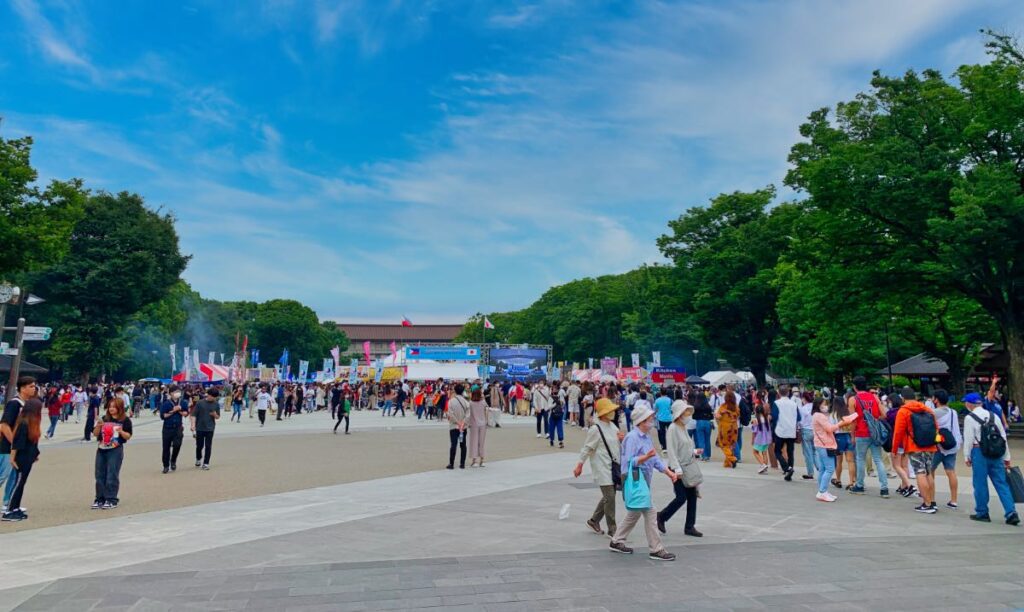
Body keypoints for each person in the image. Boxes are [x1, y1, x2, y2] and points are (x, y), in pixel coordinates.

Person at [609, 403, 677, 561]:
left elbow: (655, 459)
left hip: (643, 479)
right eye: (649, 418)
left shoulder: (646, 437)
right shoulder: (632, 438)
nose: (652, 420)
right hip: (635, 479)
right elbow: (628, 461)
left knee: (634, 512)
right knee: (650, 512)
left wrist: (668, 473)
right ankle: (656, 549)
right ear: (641, 421)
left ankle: (617, 540)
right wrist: (645, 458)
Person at [962, 392, 1019, 525]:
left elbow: (969, 439)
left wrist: (967, 456)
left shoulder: (970, 418)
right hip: (996, 453)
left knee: (980, 483)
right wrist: (1007, 457)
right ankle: (1011, 512)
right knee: (1001, 483)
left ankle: (982, 512)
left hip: (979, 452)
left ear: (970, 404)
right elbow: (1003, 437)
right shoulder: (994, 416)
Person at [574, 398, 623, 536]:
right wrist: (580, 465)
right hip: (601, 467)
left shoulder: (613, 427)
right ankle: (612, 529)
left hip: (613, 467)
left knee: (609, 496)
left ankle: (594, 520)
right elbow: (587, 448)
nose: (612, 412)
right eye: (609, 410)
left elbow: (617, 446)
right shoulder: (595, 429)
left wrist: (621, 439)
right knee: (610, 497)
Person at [657, 400, 702, 536]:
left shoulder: (683, 427)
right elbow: (671, 450)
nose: (689, 415)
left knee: (692, 497)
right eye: (686, 412)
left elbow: (685, 447)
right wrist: (677, 469)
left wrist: (694, 452)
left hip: (687, 467)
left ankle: (689, 526)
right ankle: (662, 516)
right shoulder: (673, 428)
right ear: (680, 414)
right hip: (677, 468)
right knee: (681, 497)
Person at [848, 376, 889, 498]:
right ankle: (884, 488)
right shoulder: (874, 397)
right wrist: (874, 420)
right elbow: (884, 415)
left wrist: (852, 435)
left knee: (860, 459)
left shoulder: (853, 399)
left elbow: (853, 420)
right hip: (874, 433)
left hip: (861, 432)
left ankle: (859, 485)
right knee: (878, 459)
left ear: (855, 387)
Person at [2, 398, 42, 522]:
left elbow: (32, 443)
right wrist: (12, 458)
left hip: (28, 457)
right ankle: (9, 510)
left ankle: (15, 507)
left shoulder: (31, 423)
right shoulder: (24, 423)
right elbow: (17, 443)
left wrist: (35, 454)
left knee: (21, 483)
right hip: (21, 457)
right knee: (18, 483)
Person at [811, 397, 858, 502]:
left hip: (824, 443)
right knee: (830, 468)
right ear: (818, 405)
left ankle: (823, 490)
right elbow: (830, 428)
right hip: (825, 444)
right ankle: (822, 491)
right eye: (824, 404)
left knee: (824, 468)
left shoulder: (819, 415)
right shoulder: (820, 416)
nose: (826, 406)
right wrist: (842, 423)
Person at [1, 376, 36, 514]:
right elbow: (4, 425)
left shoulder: (27, 404)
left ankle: (9, 502)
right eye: (31, 386)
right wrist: (14, 444)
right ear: (23, 388)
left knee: (14, 476)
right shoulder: (15, 404)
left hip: (20, 447)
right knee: (3, 474)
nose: (34, 389)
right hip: (7, 446)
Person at [93, 397, 133, 510]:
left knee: (112, 474)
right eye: (110, 406)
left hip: (115, 449)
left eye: (114, 407)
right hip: (101, 448)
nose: (111, 409)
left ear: (119, 408)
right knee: (99, 474)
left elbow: (128, 436)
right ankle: (99, 498)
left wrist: (121, 432)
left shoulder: (125, 420)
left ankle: (111, 499)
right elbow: (95, 434)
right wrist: (98, 426)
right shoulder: (104, 419)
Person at [930, 389, 960, 509]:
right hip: (952, 445)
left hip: (938, 446)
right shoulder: (953, 412)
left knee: (930, 471)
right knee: (950, 472)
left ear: (936, 399)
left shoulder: (933, 413)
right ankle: (954, 500)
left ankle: (931, 499)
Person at [159, 385, 187, 474]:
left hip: (178, 427)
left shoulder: (182, 402)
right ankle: (166, 465)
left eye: (178, 391)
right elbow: (163, 416)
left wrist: (180, 410)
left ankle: (173, 460)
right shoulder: (166, 403)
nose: (178, 393)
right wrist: (173, 411)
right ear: (171, 393)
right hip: (167, 427)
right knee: (166, 447)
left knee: (177, 445)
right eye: (175, 392)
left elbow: (186, 413)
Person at [773, 386, 799, 481]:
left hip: (780, 430)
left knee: (777, 451)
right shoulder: (793, 404)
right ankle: (790, 469)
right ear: (788, 393)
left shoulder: (776, 403)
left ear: (779, 393)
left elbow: (775, 417)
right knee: (790, 451)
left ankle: (786, 468)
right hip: (791, 430)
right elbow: (798, 417)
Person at [191, 387, 220, 470]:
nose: (214, 398)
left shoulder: (216, 404)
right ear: (209, 395)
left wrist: (215, 415)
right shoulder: (200, 403)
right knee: (199, 446)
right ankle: (198, 458)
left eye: (215, 397)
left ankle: (206, 463)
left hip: (210, 428)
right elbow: (194, 414)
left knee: (208, 446)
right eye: (213, 396)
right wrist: (193, 425)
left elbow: (218, 416)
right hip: (200, 427)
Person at [446, 383, 469, 470]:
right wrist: (463, 423)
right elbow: (468, 415)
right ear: (463, 391)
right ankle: (462, 464)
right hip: (463, 427)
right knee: (463, 445)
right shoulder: (466, 402)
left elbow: (450, 414)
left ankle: (451, 464)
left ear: (455, 391)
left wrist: (457, 422)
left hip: (453, 426)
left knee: (453, 444)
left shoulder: (451, 401)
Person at [715, 391, 740, 468]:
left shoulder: (723, 406)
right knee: (731, 445)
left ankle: (732, 459)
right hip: (734, 428)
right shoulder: (736, 407)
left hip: (725, 428)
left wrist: (719, 414)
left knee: (724, 445)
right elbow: (738, 416)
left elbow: (718, 416)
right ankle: (727, 463)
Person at [750, 397, 772, 474]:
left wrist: (752, 440)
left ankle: (763, 465)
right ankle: (765, 467)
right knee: (764, 452)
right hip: (767, 438)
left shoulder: (756, 420)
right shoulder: (767, 418)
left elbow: (754, 432)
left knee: (755, 452)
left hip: (759, 439)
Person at [467, 388, 489, 467]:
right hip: (483, 424)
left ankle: (474, 460)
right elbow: (487, 411)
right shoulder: (483, 402)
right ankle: (482, 460)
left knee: (474, 442)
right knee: (481, 442)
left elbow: (468, 414)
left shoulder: (470, 403)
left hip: (474, 424)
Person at [797, 391, 816, 480]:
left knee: (807, 453)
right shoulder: (815, 408)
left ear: (804, 399)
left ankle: (810, 472)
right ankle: (820, 468)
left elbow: (800, 422)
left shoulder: (803, 409)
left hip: (806, 430)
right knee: (815, 452)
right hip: (815, 431)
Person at [691, 391, 714, 462]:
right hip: (707, 422)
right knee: (707, 440)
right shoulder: (708, 406)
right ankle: (708, 455)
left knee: (701, 440)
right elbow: (711, 416)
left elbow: (693, 416)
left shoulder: (696, 406)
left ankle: (704, 456)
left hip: (699, 422)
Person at [653, 389, 672, 453]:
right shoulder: (670, 400)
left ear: (660, 393)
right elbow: (672, 408)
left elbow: (655, 409)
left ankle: (664, 447)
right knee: (670, 433)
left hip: (661, 419)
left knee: (662, 433)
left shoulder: (657, 400)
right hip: (669, 418)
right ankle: (670, 446)